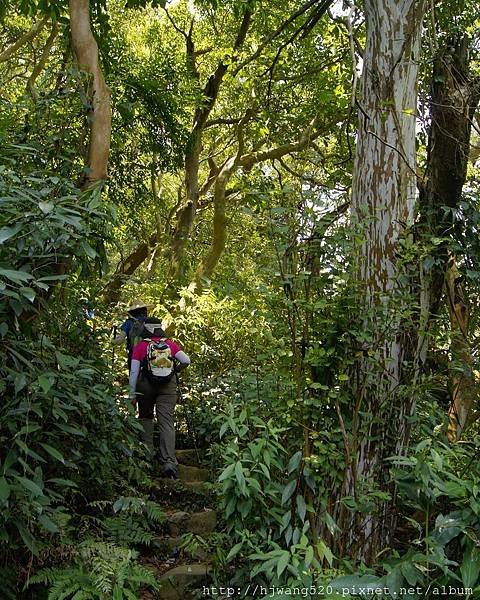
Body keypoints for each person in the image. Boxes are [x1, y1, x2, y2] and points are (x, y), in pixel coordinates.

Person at [129, 317, 190, 478]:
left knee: (146, 417)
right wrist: (175, 370)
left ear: (146, 329)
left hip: (145, 385)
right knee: (166, 421)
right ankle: (169, 461)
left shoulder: (141, 346)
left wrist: (132, 394)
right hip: (168, 385)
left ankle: (147, 456)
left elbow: (134, 371)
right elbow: (186, 360)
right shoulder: (170, 344)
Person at [113, 299, 153, 370]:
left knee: (134, 375)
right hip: (151, 353)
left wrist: (113, 341)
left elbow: (120, 340)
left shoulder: (128, 322)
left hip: (134, 354)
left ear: (131, 312)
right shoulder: (151, 321)